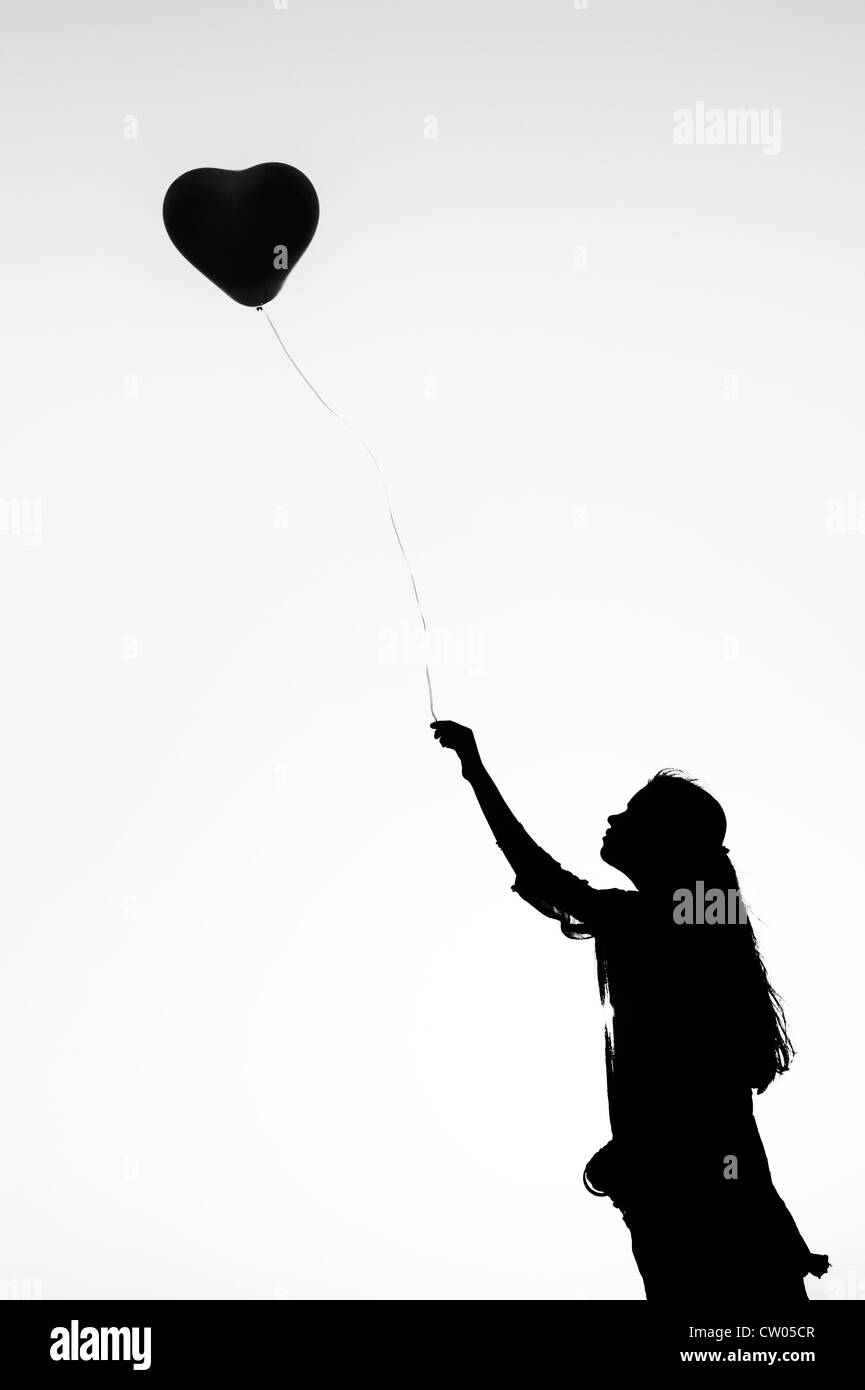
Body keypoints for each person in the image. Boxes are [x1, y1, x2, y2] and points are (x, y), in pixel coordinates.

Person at [432, 719, 829, 1302]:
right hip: (716, 1185)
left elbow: (544, 878)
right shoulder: (700, 914)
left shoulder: (660, 921)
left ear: (667, 839)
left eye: (633, 812)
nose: (615, 820)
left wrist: (474, 768)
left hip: (696, 1194)